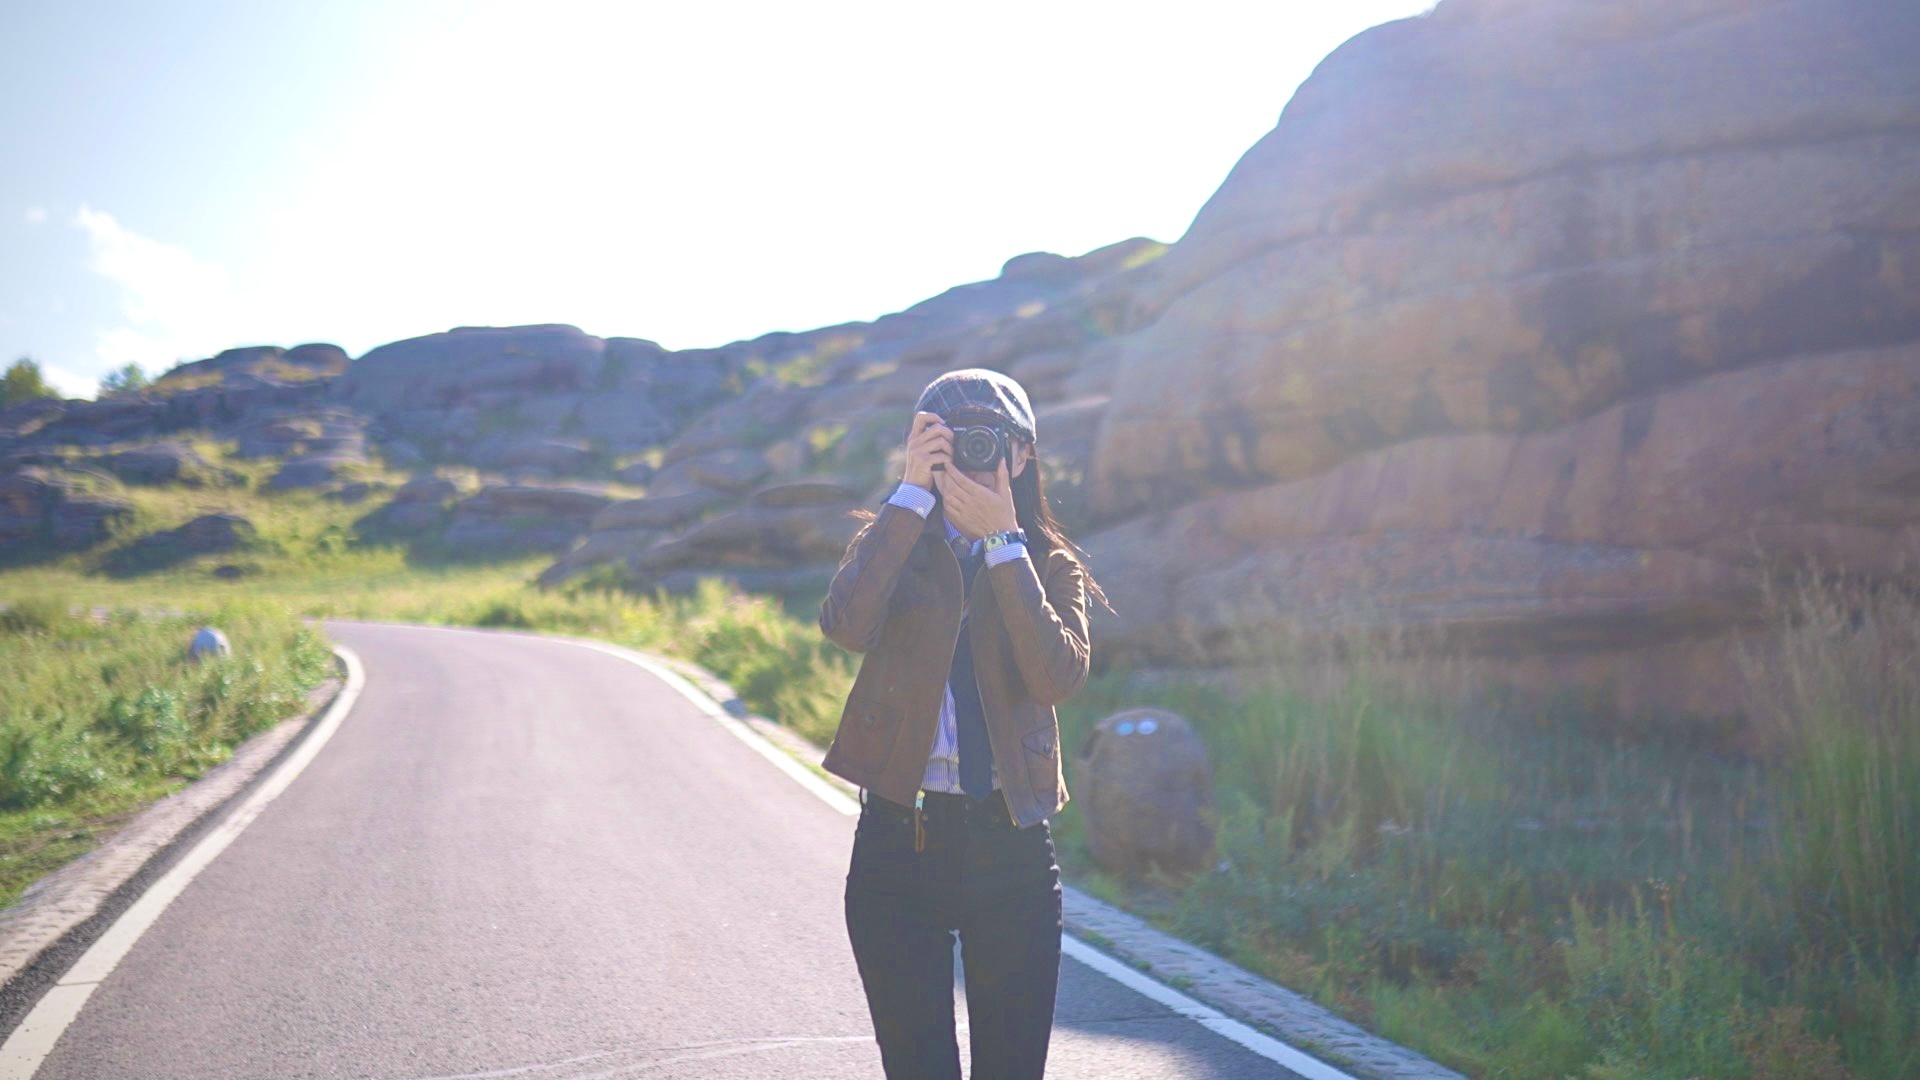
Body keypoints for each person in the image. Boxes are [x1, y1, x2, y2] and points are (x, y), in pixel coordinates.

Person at [818, 367, 1111, 1079]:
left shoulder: (1049, 564)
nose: (975, 453)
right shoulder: (894, 547)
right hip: (897, 846)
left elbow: (1055, 677)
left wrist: (1004, 546)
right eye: (951, 440)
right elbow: (846, 625)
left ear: (1022, 454)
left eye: (992, 439)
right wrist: (910, 495)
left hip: (1009, 847)